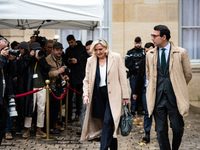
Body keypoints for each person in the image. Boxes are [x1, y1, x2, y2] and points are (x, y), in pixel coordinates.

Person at [146, 25, 192, 150]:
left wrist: (179, 86)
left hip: (175, 97)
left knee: (177, 128)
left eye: (154, 36)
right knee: (160, 130)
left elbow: (187, 74)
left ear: (164, 37)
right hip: (158, 98)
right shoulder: (149, 54)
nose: (152, 38)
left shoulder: (181, 52)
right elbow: (149, 74)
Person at [80, 39, 130, 150]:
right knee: (106, 123)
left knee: (108, 121)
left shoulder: (115, 57)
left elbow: (122, 77)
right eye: (96, 50)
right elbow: (86, 80)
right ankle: (113, 148)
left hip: (113, 95)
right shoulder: (90, 61)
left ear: (106, 48)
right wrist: (86, 95)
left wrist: (125, 96)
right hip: (98, 95)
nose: (98, 52)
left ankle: (102, 148)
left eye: (100, 49)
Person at [22, 42, 51, 138]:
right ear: (31, 51)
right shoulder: (27, 58)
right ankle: (27, 129)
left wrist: (40, 60)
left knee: (41, 108)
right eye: (35, 50)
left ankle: (39, 128)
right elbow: (23, 68)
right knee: (30, 108)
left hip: (42, 86)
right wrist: (31, 57)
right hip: (31, 87)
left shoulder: (42, 59)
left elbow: (47, 69)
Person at [132, 42, 154, 144]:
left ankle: (160, 131)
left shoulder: (158, 62)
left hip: (156, 90)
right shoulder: (143, 62)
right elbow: (139, 79)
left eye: (150, 51)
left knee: (158, 112)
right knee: (147, 111)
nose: (148, 53)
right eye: (146, 51)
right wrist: (135, 92)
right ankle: (147, 133)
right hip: (145, 90)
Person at [46, 42, 69, 134]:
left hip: (57, 87)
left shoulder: (60, 59)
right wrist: (58, 72)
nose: (59, 52)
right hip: (50, 87)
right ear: (53, 50)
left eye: (60, 50)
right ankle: (49, 127)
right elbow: (46, 74)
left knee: (56, 108)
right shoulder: (48, 59)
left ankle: (53, 126)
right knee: (51, 109)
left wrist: (62, 76)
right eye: (57, 50)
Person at [65, 35, 86, 122]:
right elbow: (66, 60)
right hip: (71, 76)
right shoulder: (68, 50)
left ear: (74, 40)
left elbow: (85, 60)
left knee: (78, 97)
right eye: (69, 43)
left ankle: (78, 113)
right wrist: (69, 61)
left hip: (79, 75)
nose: (70, 44)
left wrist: (78, 60)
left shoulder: (82, 48)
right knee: (69, 97)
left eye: (71, 42)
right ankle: (69, 115)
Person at [0, 37, 16, 144]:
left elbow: (12, 73)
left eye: (6, 48)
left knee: (1, 126)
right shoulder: (1, 58)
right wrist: (1, 57)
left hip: (3, 97)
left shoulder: (4, 59)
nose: (5, 50)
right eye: (2, 48)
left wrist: (11, 61)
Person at [76, 40, 93, 136]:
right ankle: (83, 129)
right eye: (87, 49)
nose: (89, 51)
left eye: (90, 49)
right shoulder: (84, 58)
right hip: (86, 85)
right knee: (85, 108)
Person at [125, 36, 145, 115]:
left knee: (141, 91)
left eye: (139, 43)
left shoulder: (143, 52)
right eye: (136, 43)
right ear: (134, 43)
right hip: (133, 75)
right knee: (134, 91)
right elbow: (127, 63)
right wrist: (133, 68)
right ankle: (133, 109)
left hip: (141, 75)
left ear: (141, 43)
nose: (138, 45)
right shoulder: (130, 52)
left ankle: (140, 109)